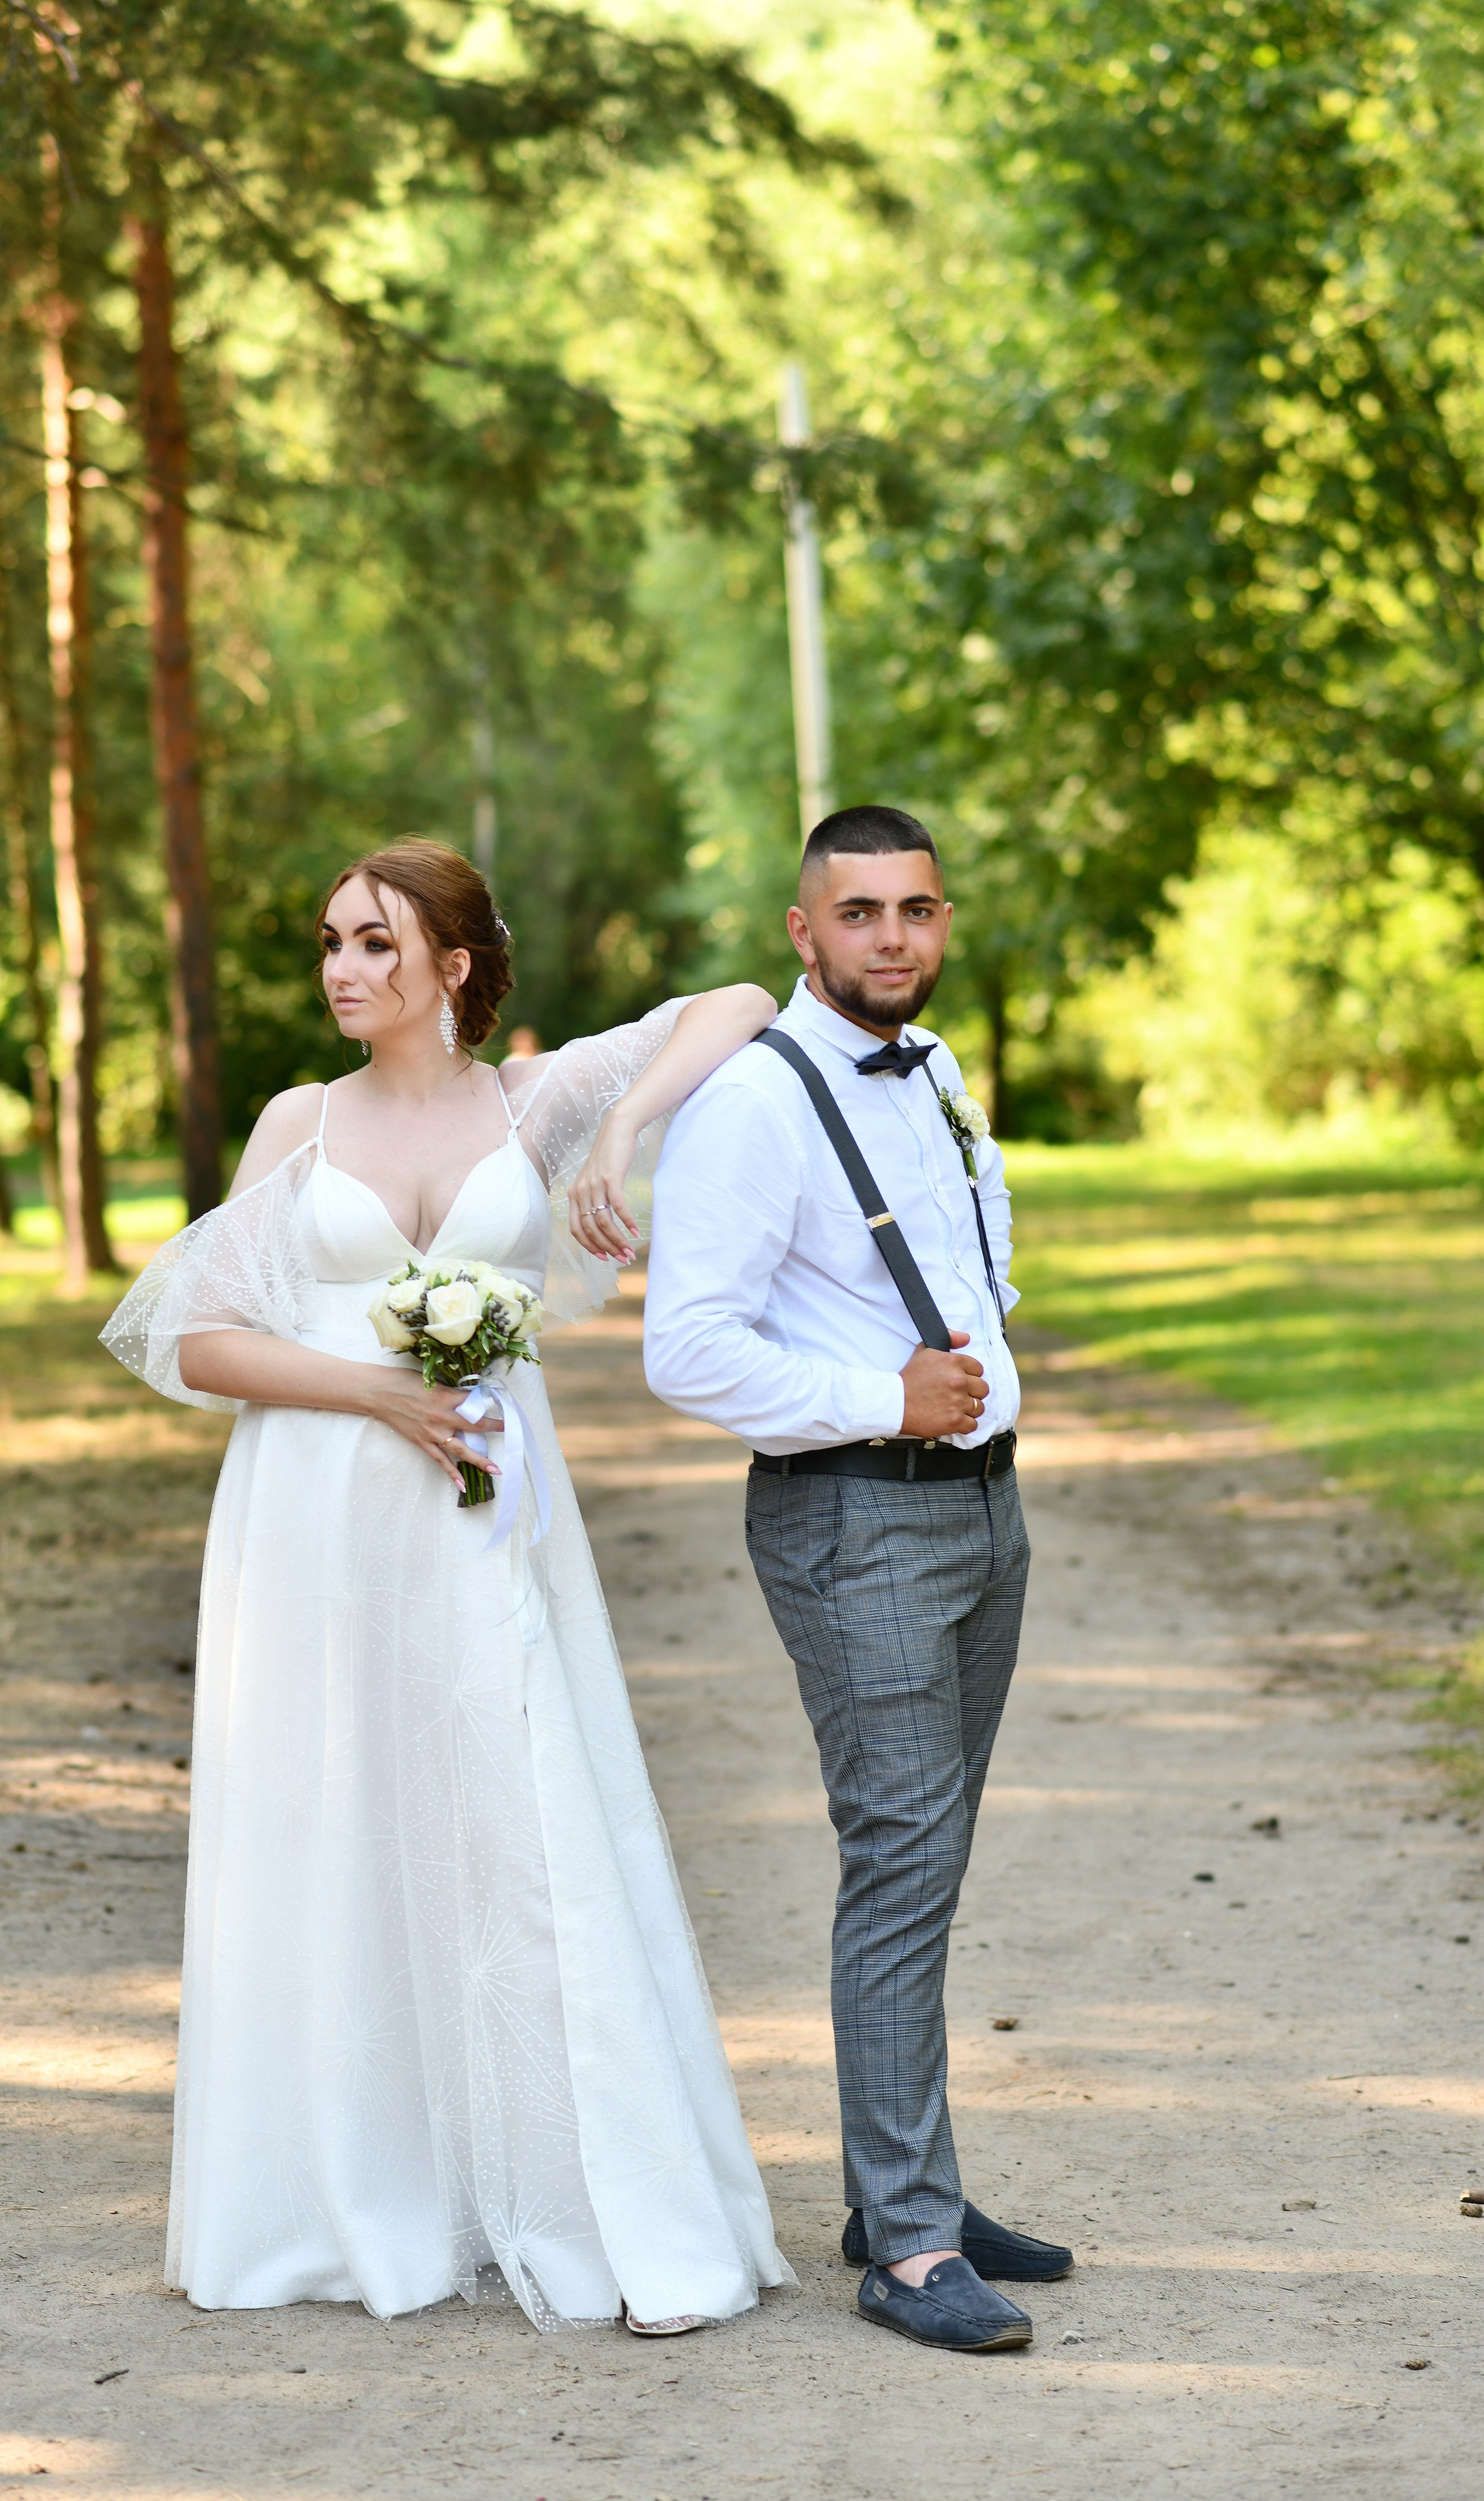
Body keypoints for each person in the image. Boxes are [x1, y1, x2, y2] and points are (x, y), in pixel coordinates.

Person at [101, 840, 790, 2337]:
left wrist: (616, 1143)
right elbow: (198, 1341)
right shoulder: (299, 1121)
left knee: (519, 1818)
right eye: (333, 942)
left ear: (454, 968)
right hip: (314, 1515)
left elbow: (735, 997)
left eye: (376, 943)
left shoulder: (528, 1104)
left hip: (486, 1527)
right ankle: (353, 2193)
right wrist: (377, 1393)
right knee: (336, 1816)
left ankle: (588, 2199)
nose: (344, 969)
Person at [642, 804, 1073, 2356]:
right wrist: (877, 1398)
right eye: (859, 914)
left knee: (931, 1857)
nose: (892, 938)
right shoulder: (753, 1110)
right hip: (854, 1515)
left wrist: (974, 1363)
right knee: (899, 1862)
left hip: (979, 1509)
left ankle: (910, 2190)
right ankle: (904, 2247)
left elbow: (973, 1259)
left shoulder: (939, 1070)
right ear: (801, 933)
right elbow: (683, 1346)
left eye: (917, 911)